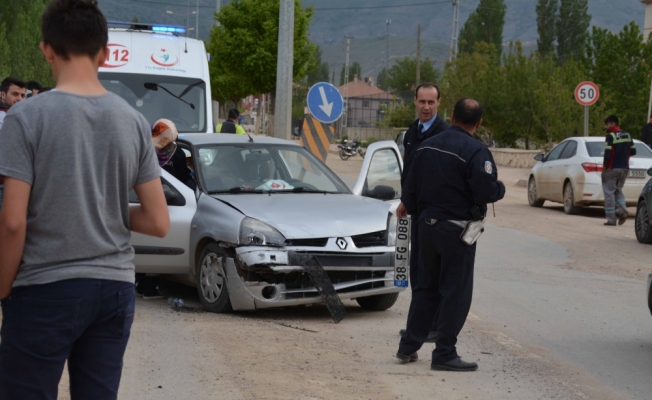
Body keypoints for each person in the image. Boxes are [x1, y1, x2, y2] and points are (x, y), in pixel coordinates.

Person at [0, 1, 170, 399]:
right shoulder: (131, 121)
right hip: (113, 291)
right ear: (106, 53)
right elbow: (159, 222)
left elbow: (12, 222)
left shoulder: (25, 118)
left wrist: (3, 287)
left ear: (46, 49)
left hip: (44, 288)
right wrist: (100, 208)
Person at [396, 99, 505, 372]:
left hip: (425, 227)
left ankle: (408, 347)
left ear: (452, 116)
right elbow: (486, 192)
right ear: (478, 123)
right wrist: (500, 187)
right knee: (455, 292)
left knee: (425, 289)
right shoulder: (476, 151)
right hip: (456, 231)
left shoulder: (425, 146)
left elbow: (409, 191)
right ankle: (444, 353)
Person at [396, 83, 450, 343]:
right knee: (417, 271)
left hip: (438, 216)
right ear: (415, 102)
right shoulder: (411, 132)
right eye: (422, 102)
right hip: (417, 213)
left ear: (439, 103)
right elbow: (410, 172)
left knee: (435, 274)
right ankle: (417, 326)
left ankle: (434, 326)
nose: (426, 107)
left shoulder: (446, 134)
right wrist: (406, 199)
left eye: (431, 102)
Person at [602, 115, 635, 226]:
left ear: (612, 124)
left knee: (609, 193)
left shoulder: (610, 136)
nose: (605, 127)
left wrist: (605, 167)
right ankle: (622, 210)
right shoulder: (628, 135)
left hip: (612, 168)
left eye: (606, 124)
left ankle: (611, 220)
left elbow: (607, 155)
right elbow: (633, 151)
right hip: (624, 168)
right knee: (618, 190)